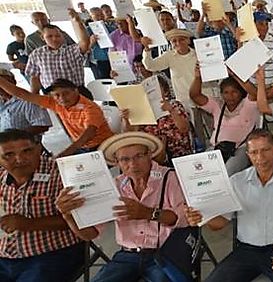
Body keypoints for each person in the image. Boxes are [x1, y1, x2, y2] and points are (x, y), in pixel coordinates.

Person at [185, 129, 273, 282]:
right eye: (254, 152)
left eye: (265, 150)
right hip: (246, 250)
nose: (260, 158)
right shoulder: (237, 182)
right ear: (248, 155)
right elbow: (219, 224)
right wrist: (202, 216)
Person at [56, 132, 188, 282]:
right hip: (128, 255)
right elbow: (90, 234)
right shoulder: (114, 186)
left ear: (150, 154)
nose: (133, 164)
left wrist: (148, 213)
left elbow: (182, 220)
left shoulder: (170, 177)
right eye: (125, 159)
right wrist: (68, 216)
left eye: (139, 156)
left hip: (166, 253)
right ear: (117, 162)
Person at [0, 129, 85, 282]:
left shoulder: (63, 174)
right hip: (4, 255)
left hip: (52, 254)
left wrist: (29, 224)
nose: (19, 159)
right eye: (9, 155)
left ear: (39, 149)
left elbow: (83, 220)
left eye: (27, 151)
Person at [0, 78, 112, 156]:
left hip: (102, 146)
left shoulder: (90, 108)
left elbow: (88, 134)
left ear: (76, 91)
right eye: (57, 95)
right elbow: (23, 95)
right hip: (81, 147)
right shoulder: (55, 103)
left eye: (66, 93)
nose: (62, 98)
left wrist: (65, 153)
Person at [189, 68, 260, 175]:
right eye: (226, 92)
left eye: (234, 92)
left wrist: (236, 75)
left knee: (227, 172)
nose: (230, 96)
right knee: (200, 172)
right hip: (217, 147)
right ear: (221, 94)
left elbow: (255, 93)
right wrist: (197, 77)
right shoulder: (217, 105)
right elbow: (195, 96)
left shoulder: (248, 105)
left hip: (240, 149)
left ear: (241, 92)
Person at [120, 76, 192, 162]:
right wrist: (126, 119)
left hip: (179, 153)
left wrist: (171, 111)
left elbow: (184, 128)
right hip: (152, 158)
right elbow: (130, 134)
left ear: (165, 91)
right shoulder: (140, 110)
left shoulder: (175, 105)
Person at [25, 9, 92, 94]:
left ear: (63, 36)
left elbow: (84, 42)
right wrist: (35, 97)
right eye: (49, 36)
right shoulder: (37, 54)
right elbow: (34, 76)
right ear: (43, 37)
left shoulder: (71, 50)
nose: (54, 39)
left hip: (75, 92)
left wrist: (78, 22)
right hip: (51, 94)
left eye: (58, 36)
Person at [141, 28, 197, 109]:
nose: (178, 43)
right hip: (183, 102)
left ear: (188, 40)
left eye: (182, 39)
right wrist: (146, 48)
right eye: (174, 41)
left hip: (201, 98)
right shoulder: (169, 56)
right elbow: (150, 66)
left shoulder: (198, 54)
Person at [0, 68, 50, 137]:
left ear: (13, 81)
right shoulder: (2, 104)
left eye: (4, 83)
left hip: (26, 144)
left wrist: (13, 137)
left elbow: (42, 125)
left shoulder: (28, 100)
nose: (3, 86)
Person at [85, 6, 115, 79]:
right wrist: (91, 43)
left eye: (101, 14)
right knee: (104, 82)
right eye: (97, 15)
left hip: (113, 59)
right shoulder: (87, 31)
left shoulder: (111, 28)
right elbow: (84, 49)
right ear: (91, 17)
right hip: (98, 61)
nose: (100, 17)